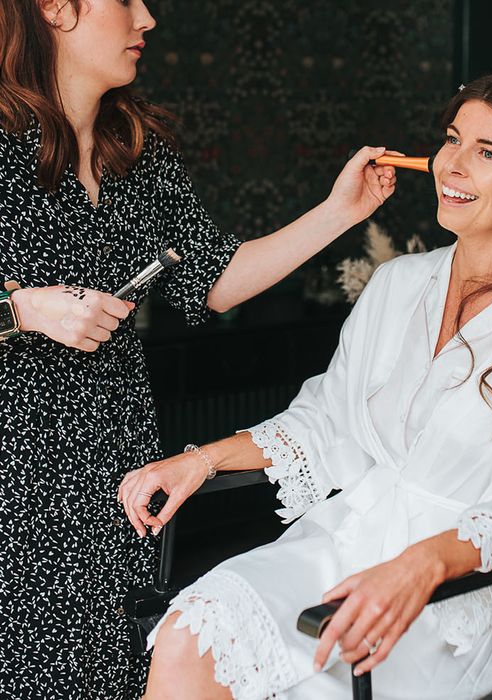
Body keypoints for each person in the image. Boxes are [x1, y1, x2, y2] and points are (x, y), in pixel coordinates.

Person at [124, 74, 492, 700]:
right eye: (452, 140)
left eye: (487, 154)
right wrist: (201, 460)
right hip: (345, 544)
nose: (452, 166)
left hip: (451, 594)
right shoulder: (398, 283)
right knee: (189, 635)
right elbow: (328, 425)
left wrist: (419, 565)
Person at [0, 1, 397, 698]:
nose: (147, 18)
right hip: (17, 474)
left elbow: (212, 282)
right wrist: (21, 308)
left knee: (115, 662)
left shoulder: (134, 146)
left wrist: (343, 211)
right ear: (56, 8)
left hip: (117, 462)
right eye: (126, 1)